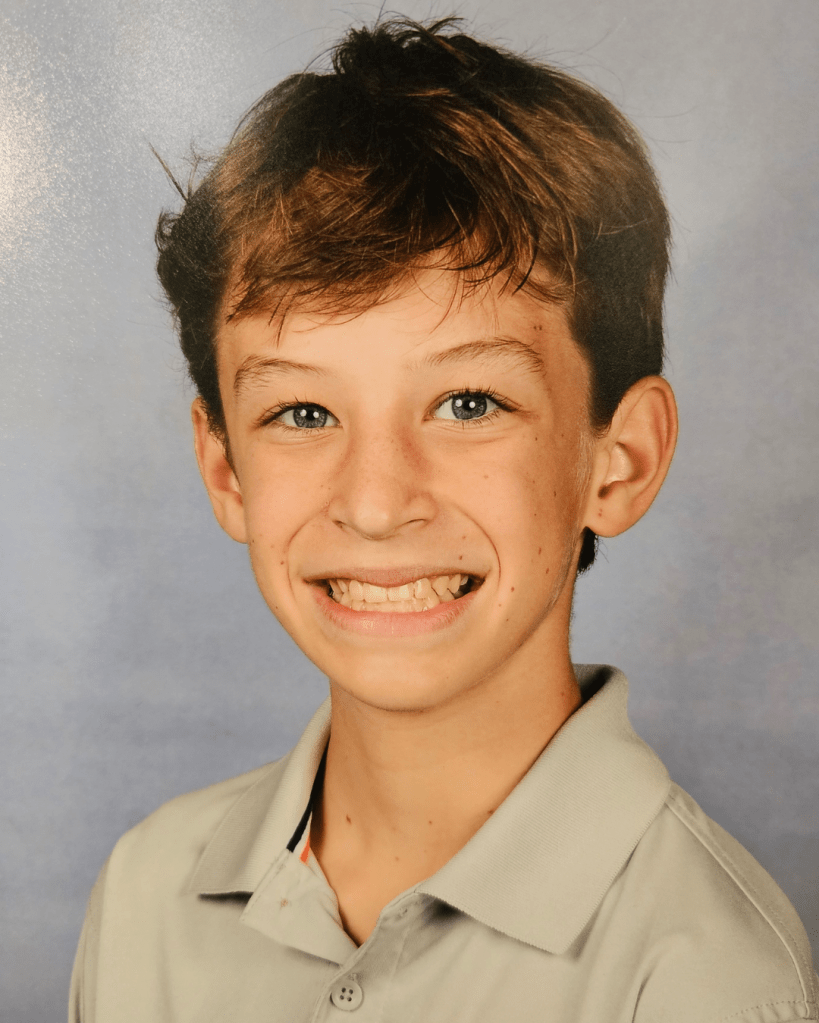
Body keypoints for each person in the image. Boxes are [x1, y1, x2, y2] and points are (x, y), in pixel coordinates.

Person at [69, 17, 818, 1023]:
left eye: (468, 404)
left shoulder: (700, 974)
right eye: (303, 413)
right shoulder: (146, 895)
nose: (377, 503)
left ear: (621, 460)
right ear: (225, 469)